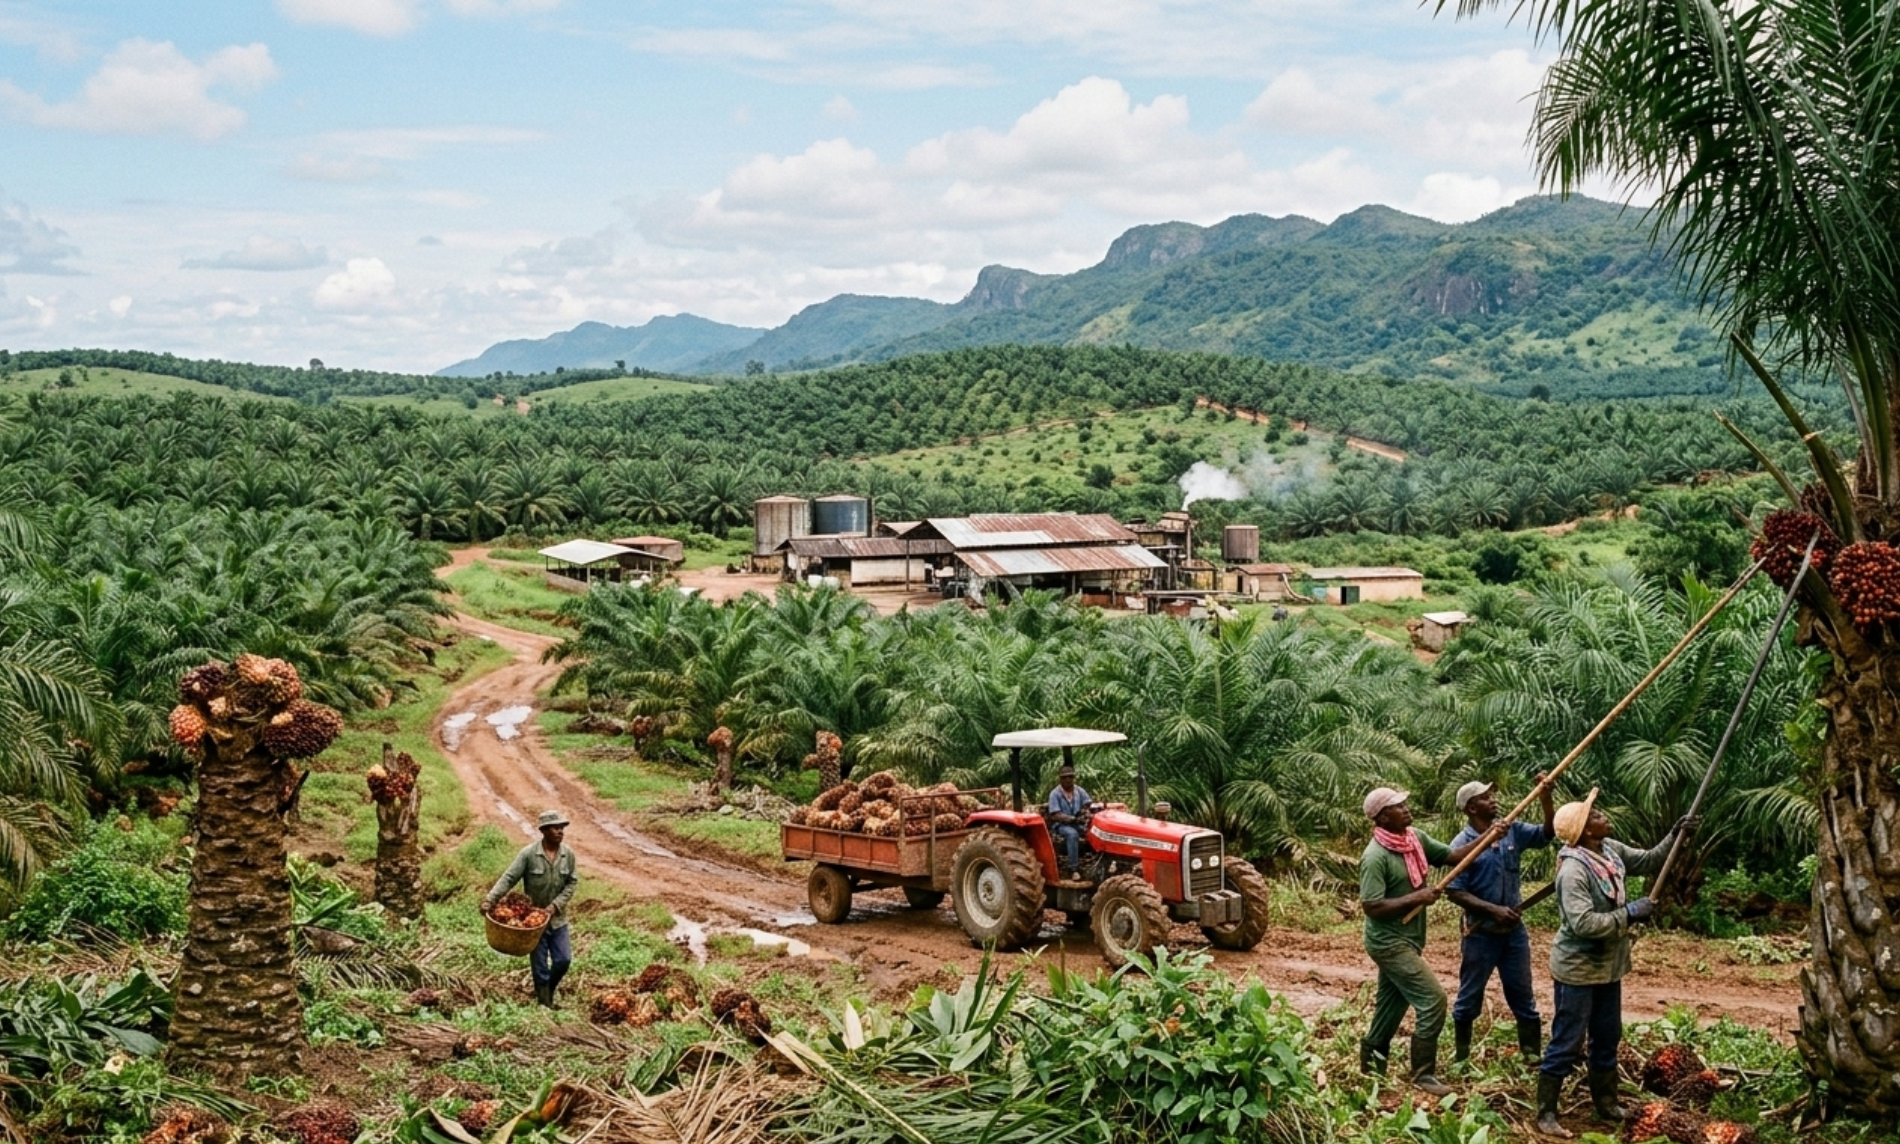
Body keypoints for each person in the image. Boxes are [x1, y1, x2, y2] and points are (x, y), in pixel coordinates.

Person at [1534, 790, 1697, 1138]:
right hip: (1578, 968)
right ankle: (1546, 1111)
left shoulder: (1610, 852)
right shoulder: (1574, 871)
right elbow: (1584, 924)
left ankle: (1606, 1104)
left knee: (1607, 1036)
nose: (1603, 817)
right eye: (1595, 816)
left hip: (1609, 966)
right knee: (1567, 1040)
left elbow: (1651, 859)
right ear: (1584, 831)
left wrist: (1676, 835)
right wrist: (1629, 913)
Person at [1359, 787, 1490, 1096]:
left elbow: (1452, 856)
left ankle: (1370, 1070)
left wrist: (1489, 837)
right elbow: (1371, 906)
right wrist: (1418, 896)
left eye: (1405, 803)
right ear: (1382, 817)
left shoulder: (1414, 838)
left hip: (1410, 938)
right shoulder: (1375, 857)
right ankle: (1423, 1074)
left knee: (1391, 1005)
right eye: (1397, 806)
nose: (1405, 808)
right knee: (1433, 1000)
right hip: (1388, 942)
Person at [1444, 775, 1556, 1065]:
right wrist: (1492, 910)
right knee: (1469, 997)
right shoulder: (1463, 844)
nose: (1493, 800)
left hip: (1513, 933)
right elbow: (1454, 891)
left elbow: (1547, 834)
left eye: (1492, 795)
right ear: (1471, 808)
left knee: (1523, 996)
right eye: (1485, 797)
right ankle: (1462, 1059)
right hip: (1481, 933)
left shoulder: (1511, 830)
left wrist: (1545, 799)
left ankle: (1531, 1057)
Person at [484, 809, 580, 1008]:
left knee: (563, 960)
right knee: (540, 967)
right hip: (533, 922)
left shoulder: (567, 855)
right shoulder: (529, 854)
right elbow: (509, 878)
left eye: (562, 828)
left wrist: (555, 906)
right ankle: (545, 1003)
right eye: (556, 828)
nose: (560, 831)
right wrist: (490, 900)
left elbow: (571, 883)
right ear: (544, 830)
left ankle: (549, 990)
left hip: (558, 919)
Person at [1046, 764, 1092, 876]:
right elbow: (1055, 814)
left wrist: (1084, 813)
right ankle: (1073, 869)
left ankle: (1095, 863)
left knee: (1093, 831)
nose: (1068, 780)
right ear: (1060, 779)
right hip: (1061, 825)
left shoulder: (1079, 791)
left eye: (1070, 777)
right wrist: (1071, 819)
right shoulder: (1055, 794)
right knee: (1072, 834)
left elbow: (1087, 804)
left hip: (1077, 823)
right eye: (1065, 777)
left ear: (1074, 778)